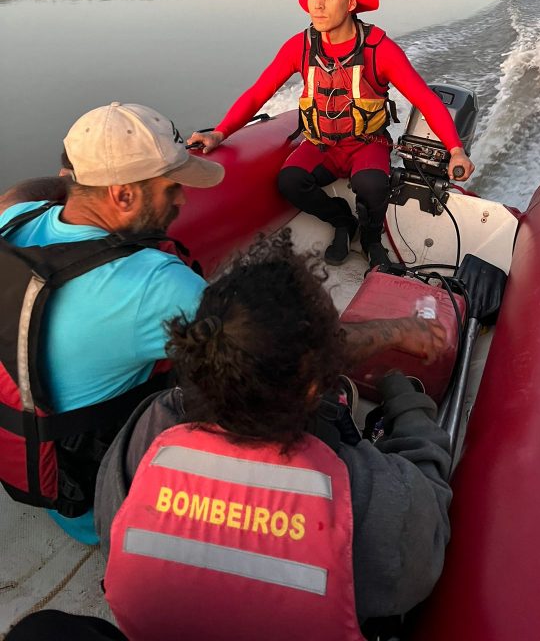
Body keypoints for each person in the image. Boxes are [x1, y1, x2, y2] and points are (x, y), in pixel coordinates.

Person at [96, 231, 452, 641]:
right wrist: (407, 404)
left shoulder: (148, 431)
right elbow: (426, 532)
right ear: (313, 389)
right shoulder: (362, 496)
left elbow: (111, 528)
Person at [0, 101, 225, 544]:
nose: (182, 198)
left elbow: (20, 191)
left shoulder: (12, 222)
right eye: (170, 188)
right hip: (108, 508)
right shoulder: (157, 286)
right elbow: (269, 353)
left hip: (48, 478)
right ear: (122, 196)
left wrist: (76, 185)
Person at [188, 0, 474, 269]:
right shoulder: (299, 47)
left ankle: (371, 238)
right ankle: (342, 220)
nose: (318, 4)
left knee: (373, 185)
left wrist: (455, 150)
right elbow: (259, 92)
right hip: (320, 143)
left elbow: (426, 100)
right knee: (290, 181)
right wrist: (220, 132)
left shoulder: (379, 49)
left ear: (350, 2)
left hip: (366, 143)